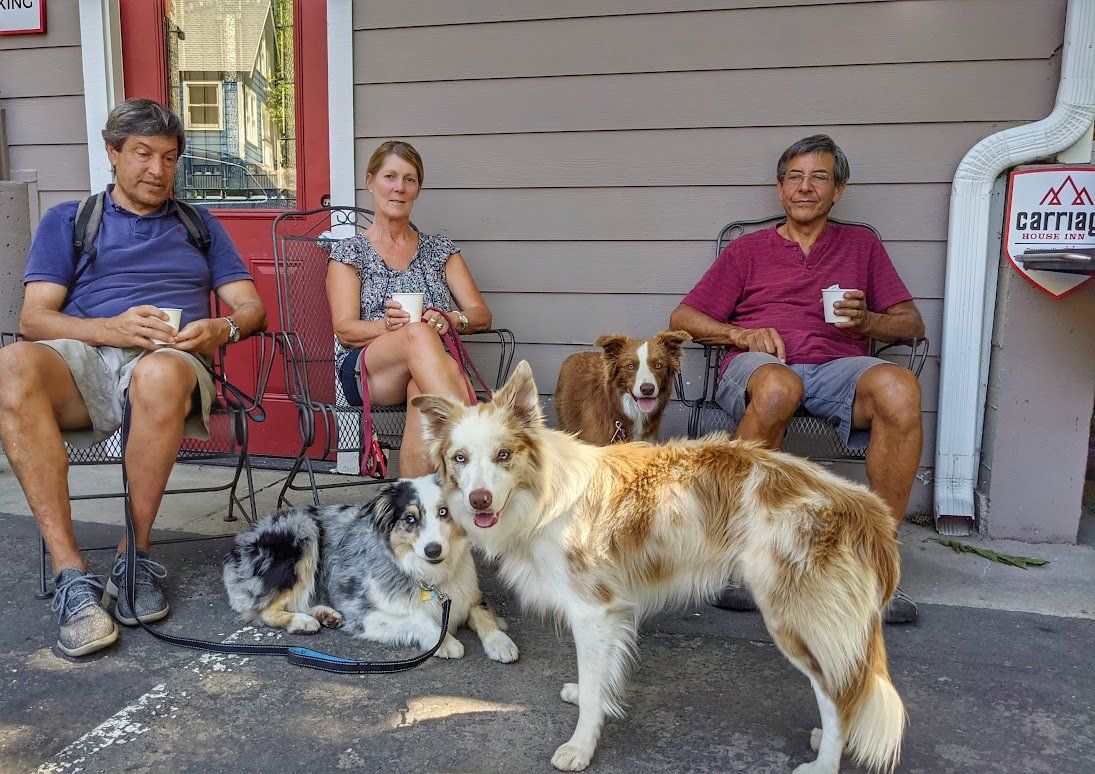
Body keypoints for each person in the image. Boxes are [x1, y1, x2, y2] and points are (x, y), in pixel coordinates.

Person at [0, 99, 267, 657]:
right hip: (89, 352)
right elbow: (33, 319)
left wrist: (224, 328)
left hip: (170, 361)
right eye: (143, 153)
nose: (157, 170)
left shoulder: (199, 224)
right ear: (113, 153)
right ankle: (73, 577)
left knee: (160, 373)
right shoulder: (71, 221)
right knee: (11, 364)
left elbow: (251, 307)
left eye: (169, 158)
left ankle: (134, 557)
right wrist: (112, 328)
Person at [669, 134, 925, 624]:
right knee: (779, 387)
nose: (805, 188)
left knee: (900, 388)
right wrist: (739, 334)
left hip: (837, 367)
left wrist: (868, 321)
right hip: (760, 368)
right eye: (795, 177)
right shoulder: (747, 250)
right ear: (780, 188)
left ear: (838, 191)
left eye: (819, 178)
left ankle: (875, 568)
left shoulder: (862, 245)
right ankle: (738, 558)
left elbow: (912, 324)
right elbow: (683, 317)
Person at [327, 140, 492, 478]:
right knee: (416, 333)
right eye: (390, 177)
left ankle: (416, 509)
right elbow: (344, 330)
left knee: (423, 395)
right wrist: (387, 327)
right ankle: (478, 439)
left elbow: (481, 314)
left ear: (418, 189)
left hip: (432, 369)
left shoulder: (440, 250)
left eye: (409, 179)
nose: (399, 188)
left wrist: (452, 320)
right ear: (370, 181)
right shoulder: (349, 253)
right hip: (369, 373)